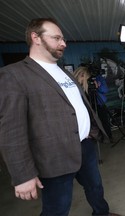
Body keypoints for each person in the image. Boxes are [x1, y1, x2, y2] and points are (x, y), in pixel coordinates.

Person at [0, 18, 118, 216]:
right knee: (58, 208)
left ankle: (102, 213)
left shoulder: (64, 73)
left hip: (85, 145)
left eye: (63, 39)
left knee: (95, 188)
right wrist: (22, 176)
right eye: (56, 38)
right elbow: (11, 130)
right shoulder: (13, 74)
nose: (63, 43)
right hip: (54, 157)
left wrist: (91, 131)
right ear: (35, 37)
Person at [74, 66, 114, 143]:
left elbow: (105, 90)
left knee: (104, 120)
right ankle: (95, 137)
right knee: (92, 121)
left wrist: (97, 87)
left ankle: (108, 137)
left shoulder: (99, 78)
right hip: (89, 105)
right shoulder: (78, 85)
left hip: (99, 103)